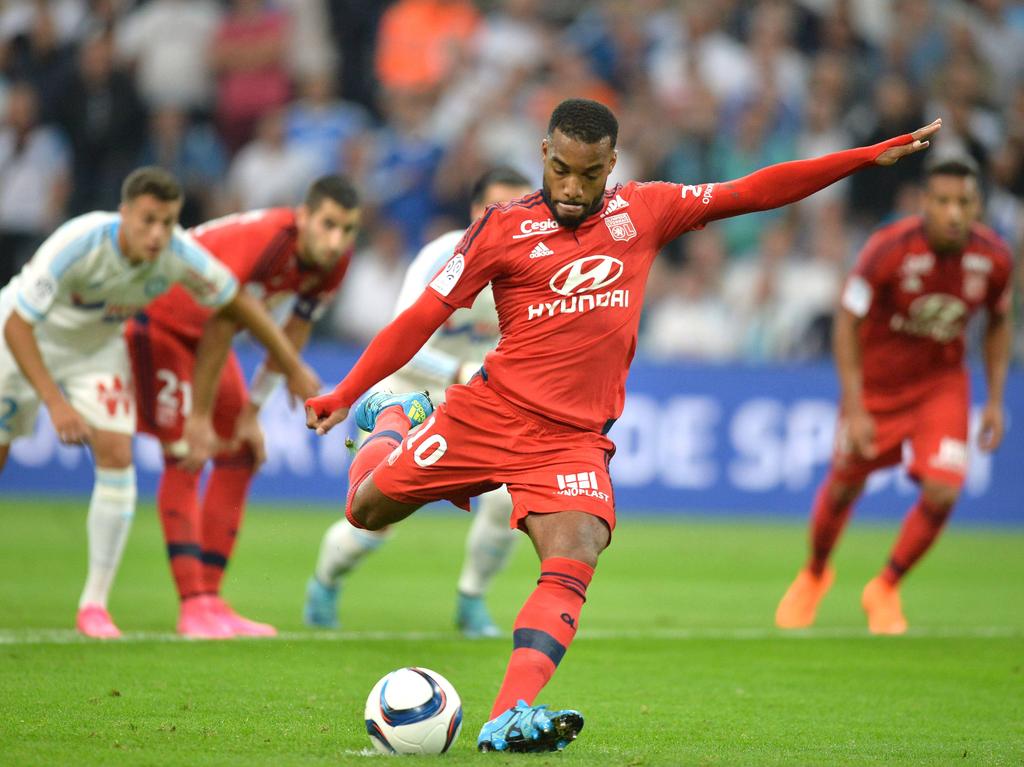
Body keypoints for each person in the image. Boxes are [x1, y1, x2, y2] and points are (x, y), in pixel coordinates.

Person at [305, 98, 938, 752]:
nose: (573, 188)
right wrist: (348, 391)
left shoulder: (645, 210)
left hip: (571, 440)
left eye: (588, 174)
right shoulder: (500, 228)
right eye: (560, 171)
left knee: (576, 549)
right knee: (364, 510)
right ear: (543, 157)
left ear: (611, 165)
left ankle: (507, 714)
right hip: (489, 413)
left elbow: (753, 190)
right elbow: (419, 318)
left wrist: (863, 157)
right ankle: (391, 418)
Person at [0, 166, 319, 639]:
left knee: (117, 456)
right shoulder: (79, 243)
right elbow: (18, 325)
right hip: (21, 343)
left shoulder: (179, 254)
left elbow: (236, 304)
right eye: (148, 220)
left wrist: (291, 364)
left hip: (97, 352)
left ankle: (94, 606)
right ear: (124, 213)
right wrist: (54, 403)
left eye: (167, 222)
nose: (157, 234)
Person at [774, 156, 1012, 636]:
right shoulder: (888, 250)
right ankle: (816, 572)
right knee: (844, 486)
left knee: (944, 488)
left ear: (978, 206)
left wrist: (994, 399)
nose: (952, 213)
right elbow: (847, 320)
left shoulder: (994, 258)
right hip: (878, 387)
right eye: (942, 201)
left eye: (963, 203)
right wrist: (855, 405)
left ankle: (885, 585)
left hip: (940, 385)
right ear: (924, 203)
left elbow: (999, 321)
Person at [126, 175, 361, 639]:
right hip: (160, 321)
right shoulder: (267, 239)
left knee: (241, 450)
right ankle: (192, 605)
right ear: (303, 216)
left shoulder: (333, 263)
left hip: (209, 336)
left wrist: (252, 411)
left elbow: (295, 328)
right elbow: (222, 319)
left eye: (348, 230)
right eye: (329, 225)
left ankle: (212, 600)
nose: (336, 241)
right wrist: (198, 418)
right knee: (187, 452)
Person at [304, 167, 533, 637]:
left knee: (507, 499)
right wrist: (457, 373)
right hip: (406, 390)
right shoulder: (439, 257)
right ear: (476, 213)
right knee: (372, 517)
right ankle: (324, 582)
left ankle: (472, 600)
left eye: (521, 207)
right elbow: (402, 336)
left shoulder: (533, 266)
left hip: (476, 400)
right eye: (500, 208)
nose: (512, 219)